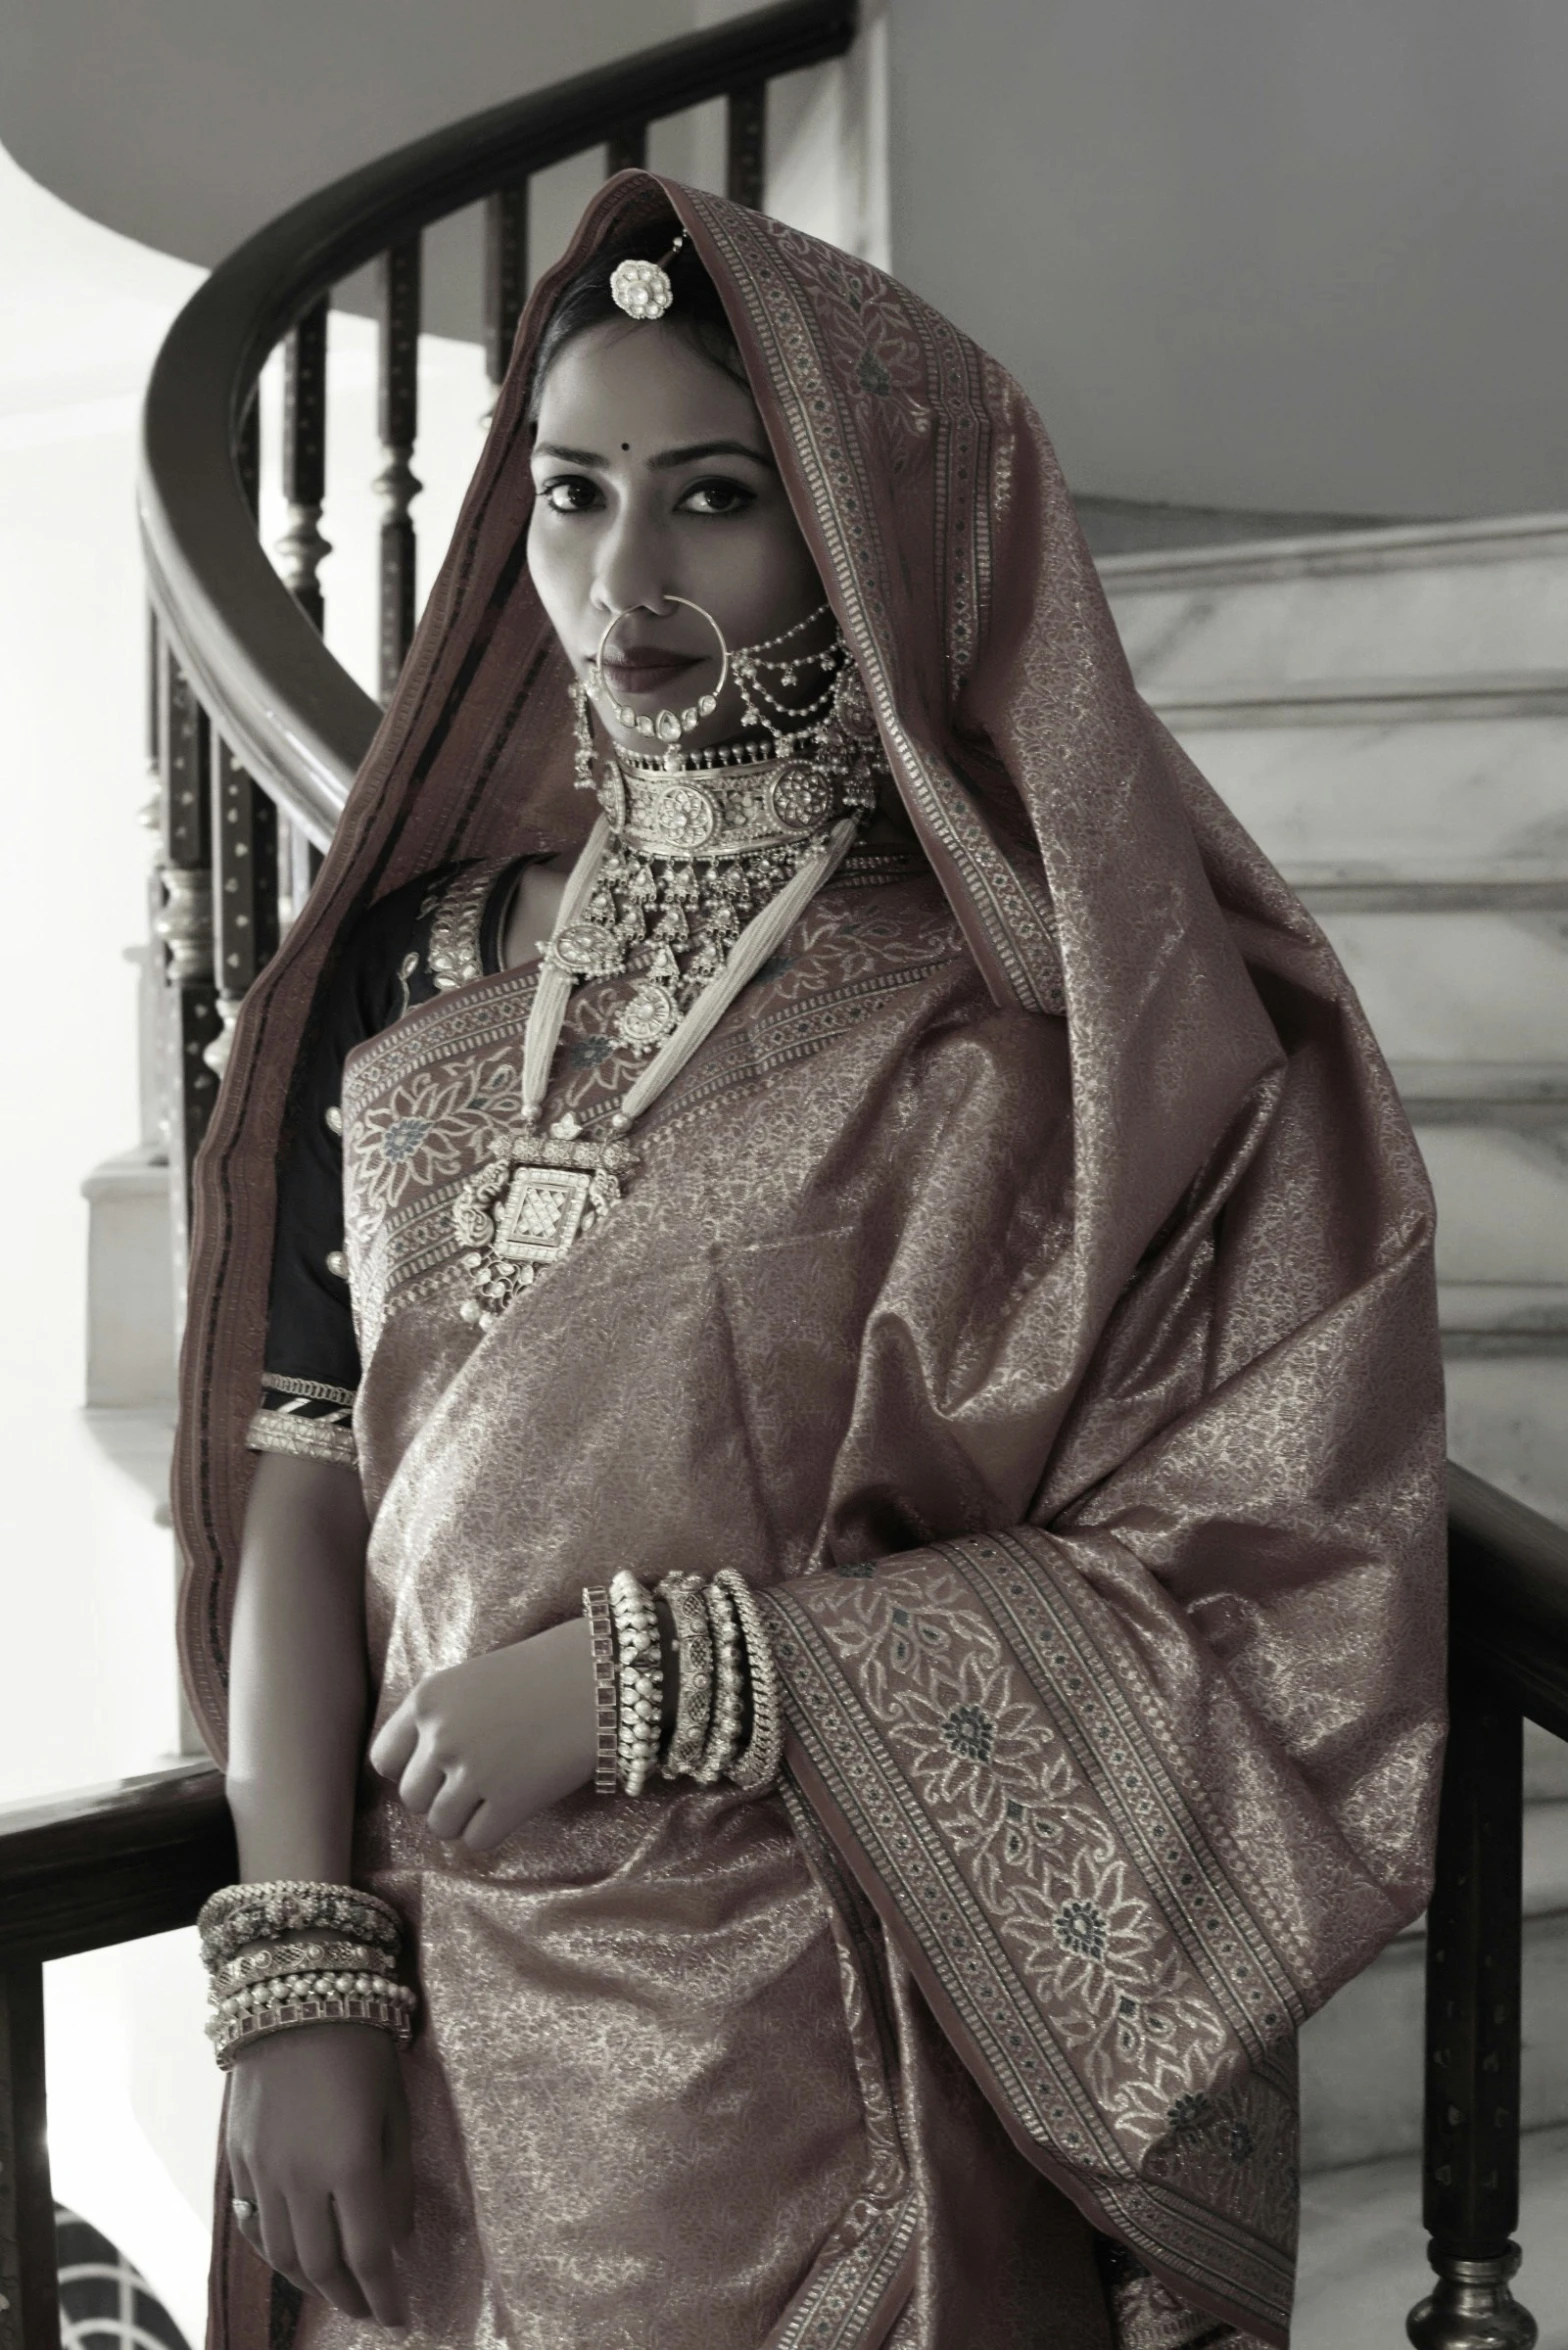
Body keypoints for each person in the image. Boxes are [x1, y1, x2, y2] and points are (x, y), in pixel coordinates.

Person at [174, 172, 1447, 2350]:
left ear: (875, 538)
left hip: (841, 2071)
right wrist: (296, 1961)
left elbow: (1257, 1579)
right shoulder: (418, 976)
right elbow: (310, 1470)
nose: (624, 577)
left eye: (715, 498)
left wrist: (684, 1672)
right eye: (571, 494)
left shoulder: (1032, 1035)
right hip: (428, 2019)